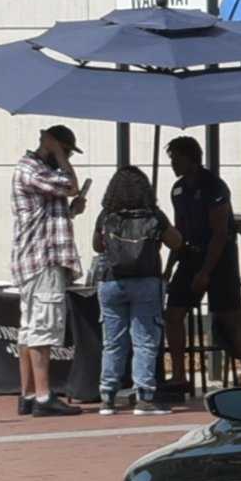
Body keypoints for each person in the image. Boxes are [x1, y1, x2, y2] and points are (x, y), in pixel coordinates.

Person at [162, 134, 241, 386]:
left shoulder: (214, 187)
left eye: (176, 159)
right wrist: (170, 266)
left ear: (191, 159)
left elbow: (219, 233)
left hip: (220, 258)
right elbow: (179, 230)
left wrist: (205, 272)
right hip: (190, 254)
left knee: (231, 316)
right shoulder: (178, 190)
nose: (173, 165)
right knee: (173, 314)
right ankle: (179, 375)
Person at [9, 123, 87, 417]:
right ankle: (43, 397)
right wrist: (58, 152)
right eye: (66, 151)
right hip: (42, 259)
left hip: (38, 258)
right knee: (42, 327)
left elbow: (49, 209)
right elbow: (70, 185)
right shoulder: (32, 169)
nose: (67, 157)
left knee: (30, 329)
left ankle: (29, 394)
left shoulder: (38, 172)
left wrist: (71, 212)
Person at [91, 157, 169, 411]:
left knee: (113, 341)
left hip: (111, 281)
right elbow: (176, 241)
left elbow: (97, 245)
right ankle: (144, 396)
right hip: (147, 281)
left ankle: (107, 396)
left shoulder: (107, 215)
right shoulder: (153, 215)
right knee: (145, 339)